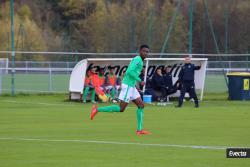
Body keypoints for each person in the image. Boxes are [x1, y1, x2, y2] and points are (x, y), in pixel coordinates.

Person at [90, 45, 151, 135]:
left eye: (147, 52)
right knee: (121, 108)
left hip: (131, 86)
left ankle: (139, 130)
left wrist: (135, 84)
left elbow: (132, 72)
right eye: (144, 51)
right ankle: (97, 110)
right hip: (127, 86)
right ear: (140, 51)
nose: (146, 53)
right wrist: (139, 80)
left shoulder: (140, 61)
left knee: (141, 105)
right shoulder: (138, 59)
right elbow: (129, 71)